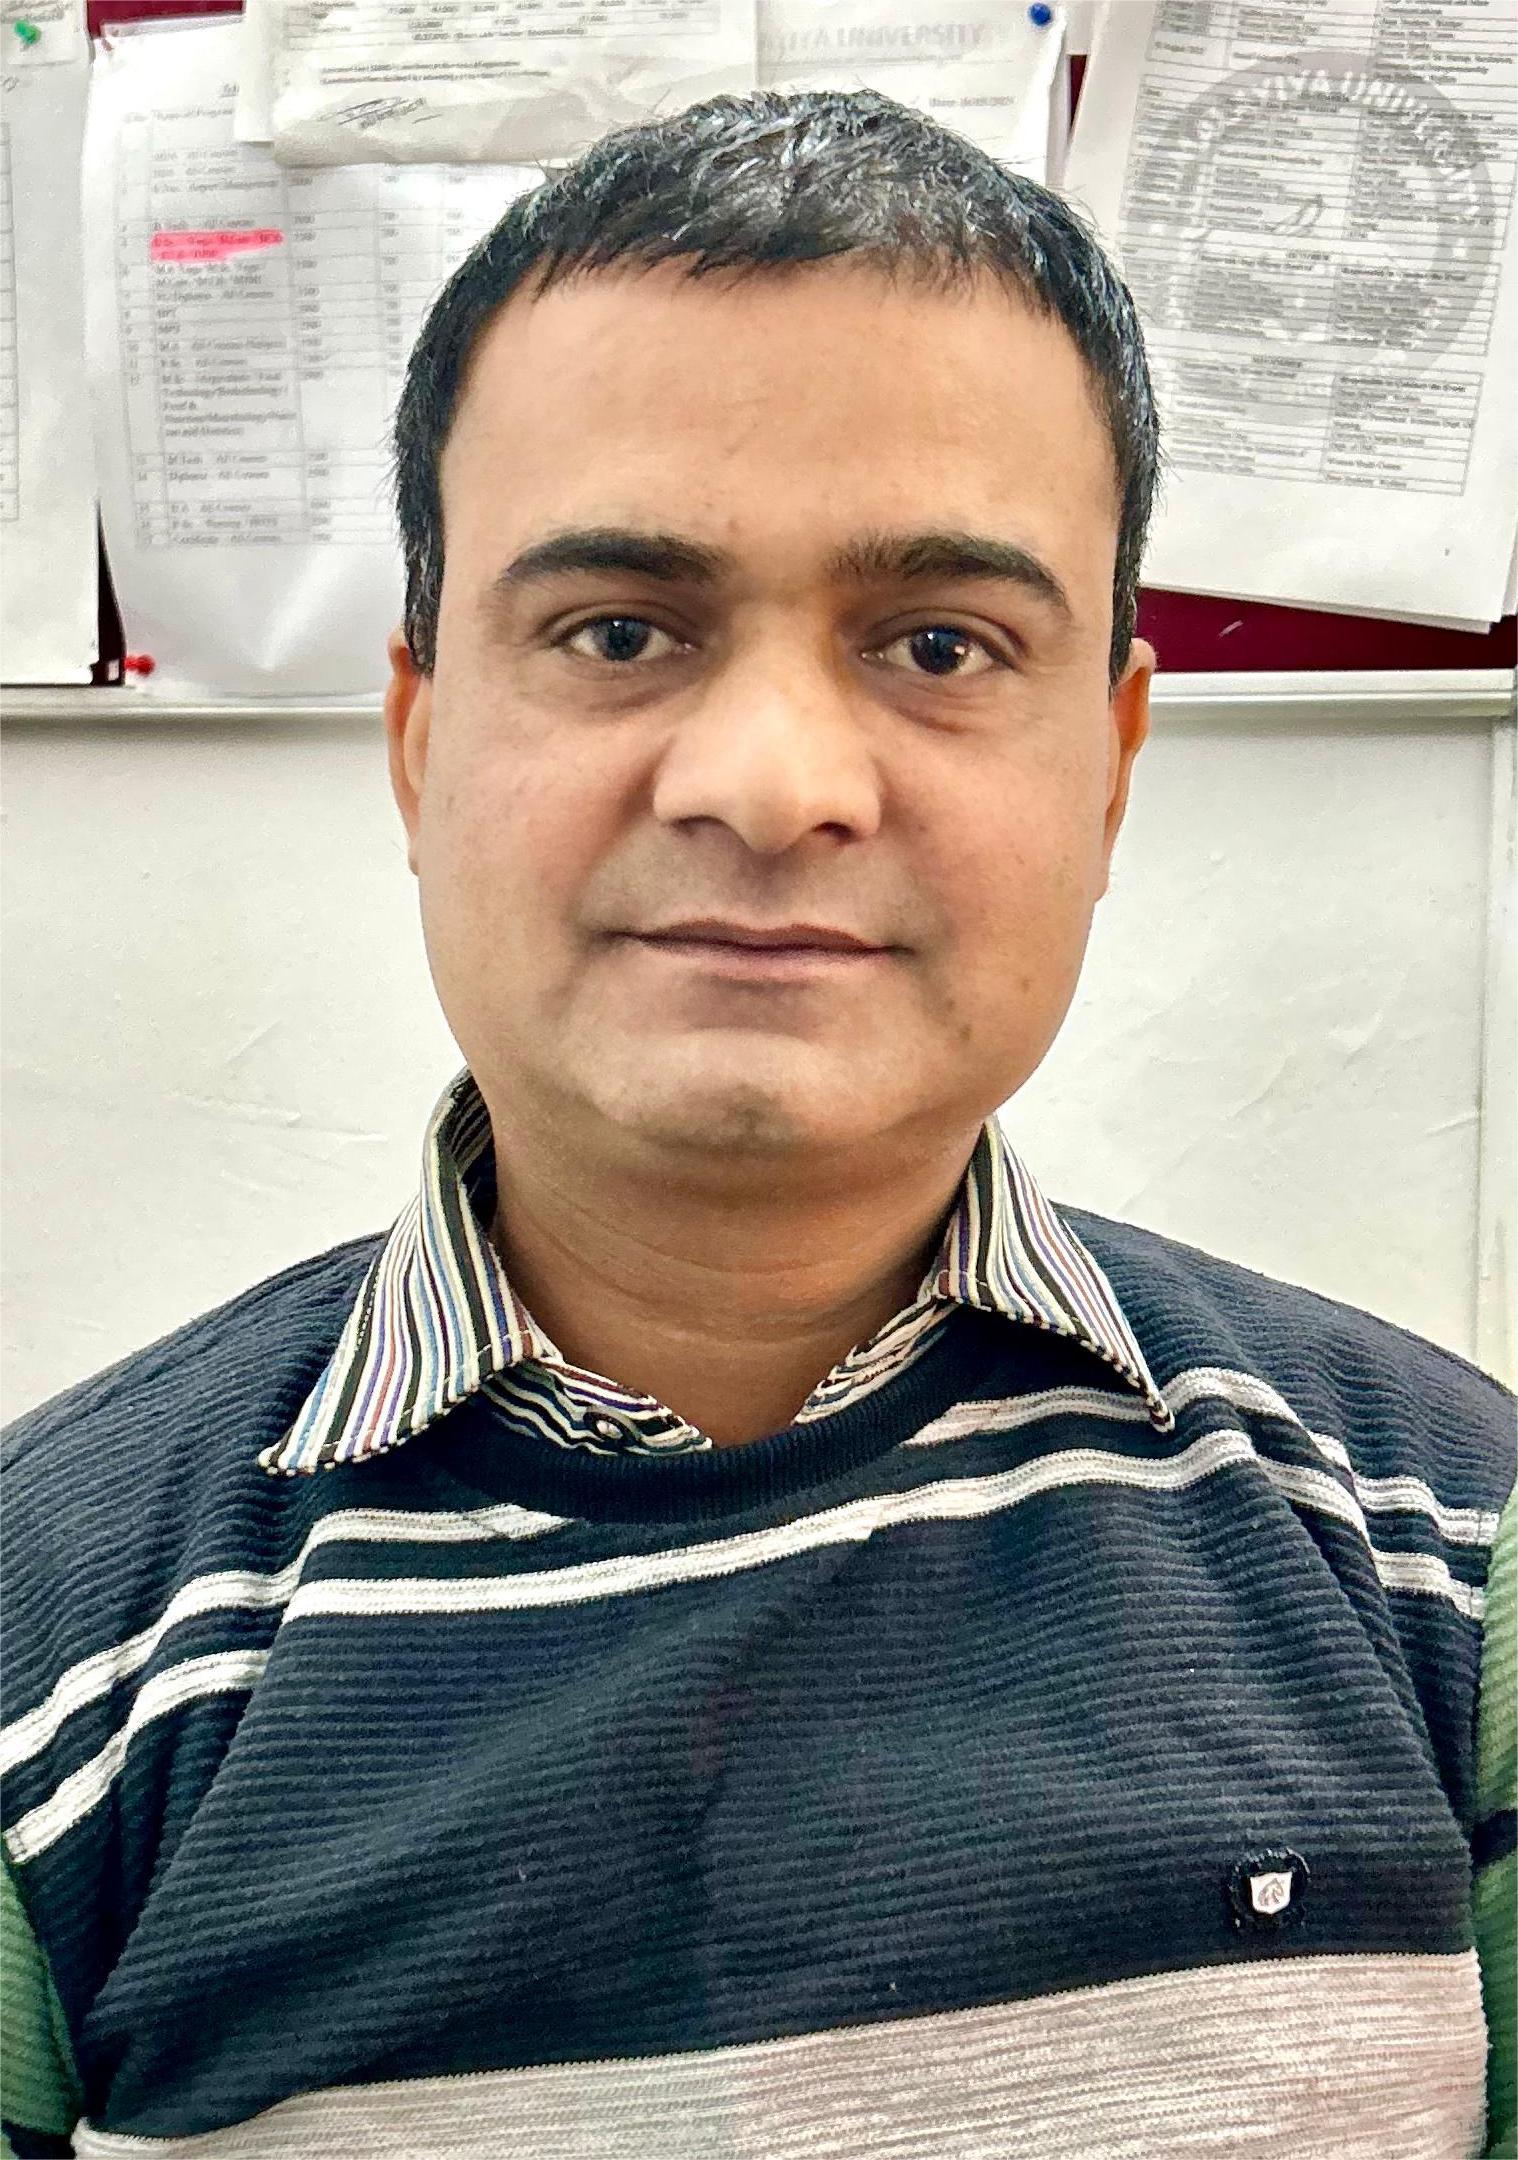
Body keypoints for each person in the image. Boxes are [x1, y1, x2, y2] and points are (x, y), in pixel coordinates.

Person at [2, 86, 1513, 2160]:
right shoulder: (48, 1650)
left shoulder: (1456, 1563)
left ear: (1110, 763)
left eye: (939, 645)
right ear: (421, 741)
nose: (774, 781)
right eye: (620, 632)